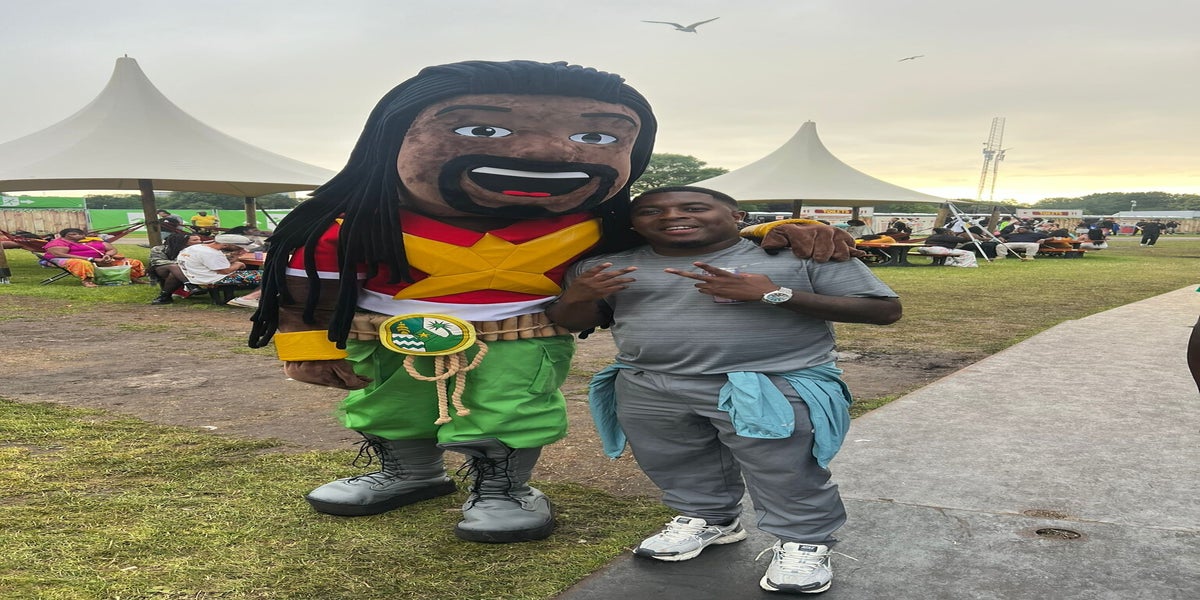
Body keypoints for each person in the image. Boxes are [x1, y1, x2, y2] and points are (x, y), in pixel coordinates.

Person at [245, 59, 857, 545]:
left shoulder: (598, 225)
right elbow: (307, 287)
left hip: (520, 337)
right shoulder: (357, 223)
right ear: (391, 139)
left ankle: (504, 489)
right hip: (390, 336)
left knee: (510, 410)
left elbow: (688, 229)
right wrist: (306, 345)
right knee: (390, 404)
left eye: (594, 136)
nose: (544, 153)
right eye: (482, 130)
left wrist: (774, 231)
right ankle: (408, 472)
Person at [546, 187, 901, 595]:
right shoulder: (605, 266)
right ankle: (710, 519)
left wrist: (773, 294)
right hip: (650, 382)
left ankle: (804, 541)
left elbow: (884, 310)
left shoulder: (799, 255)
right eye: (651, 211)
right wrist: (577, 296)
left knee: (785, 469)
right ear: (633, 223)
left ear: (737, 216)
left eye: (693, 207)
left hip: (767, 383)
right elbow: (572, 321)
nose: (671, 216)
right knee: (674, 461)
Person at [41, 227, 149, 287]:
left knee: (134, 262)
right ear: (71, 235)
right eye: (81, 234)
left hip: (100, 259)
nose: (85, 236)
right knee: (83, 263)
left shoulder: (93, 241)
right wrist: (91, 259)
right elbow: (60, 254)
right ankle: (87, 281)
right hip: (66, 259)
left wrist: (107, 255)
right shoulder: (59, 242)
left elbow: (112, 249)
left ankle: (134, 278)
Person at [176, 234, 262, 287]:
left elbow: (218, 264)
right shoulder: (211, 253)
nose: (242, 248)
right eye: (239, 246)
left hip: (197, 277)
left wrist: (236, 255)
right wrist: (238, 264)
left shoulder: (196, 248)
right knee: (265, 275)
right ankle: (253, 297)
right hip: (214, 279)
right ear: (225, 245)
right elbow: (225, 271)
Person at [147, 233, 203, 304]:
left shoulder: (195, 250)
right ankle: (191, 285)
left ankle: (164, 297)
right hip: (161, 269)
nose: (199, 242)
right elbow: (158, 261)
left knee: (173, 274)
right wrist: (180, 263)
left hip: (182, 272)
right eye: (195, 240)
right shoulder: (158, 249)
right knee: (174, 266)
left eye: (199, 239)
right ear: (184, 242)